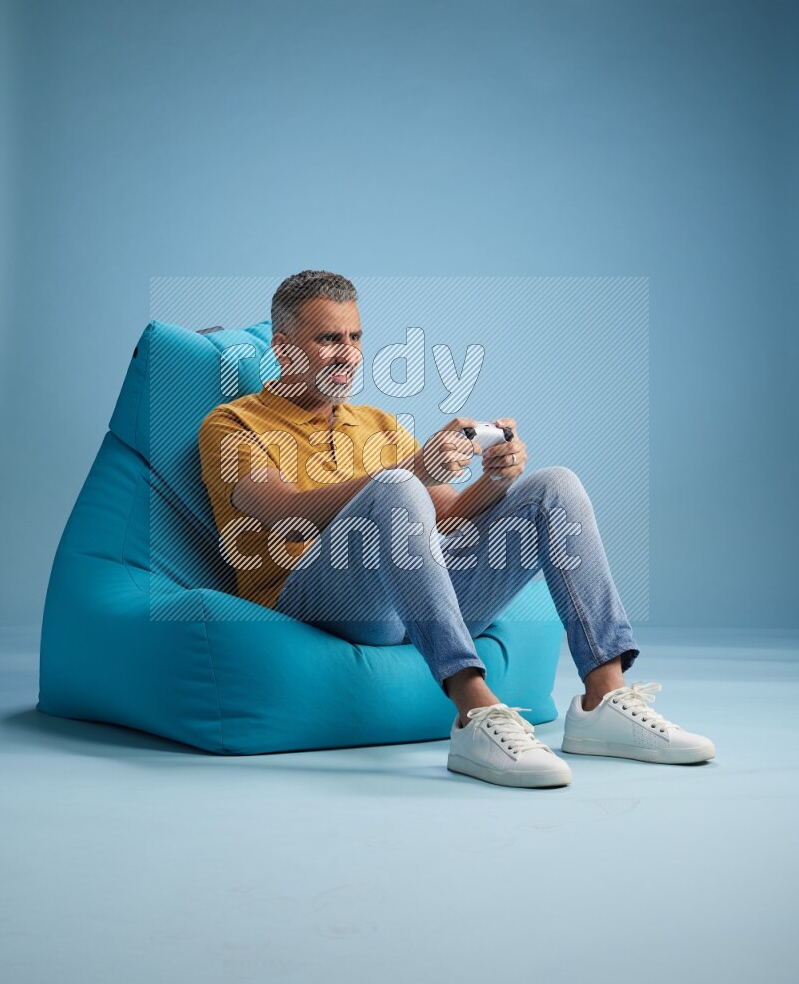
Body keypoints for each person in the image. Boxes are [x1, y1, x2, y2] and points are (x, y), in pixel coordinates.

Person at [199, 270, 715, 788]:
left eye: (355, 338)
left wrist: (495, 479)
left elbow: (448, 517)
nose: (349, 353)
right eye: (329, 339)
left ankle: (603, 696)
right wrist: (412, 474)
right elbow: (281, 507)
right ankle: (474, 713)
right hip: (315, 602)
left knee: (553, 486)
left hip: (410, 601)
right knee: (399, 486)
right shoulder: (232, 423)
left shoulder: (377, 423)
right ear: (284, 347)